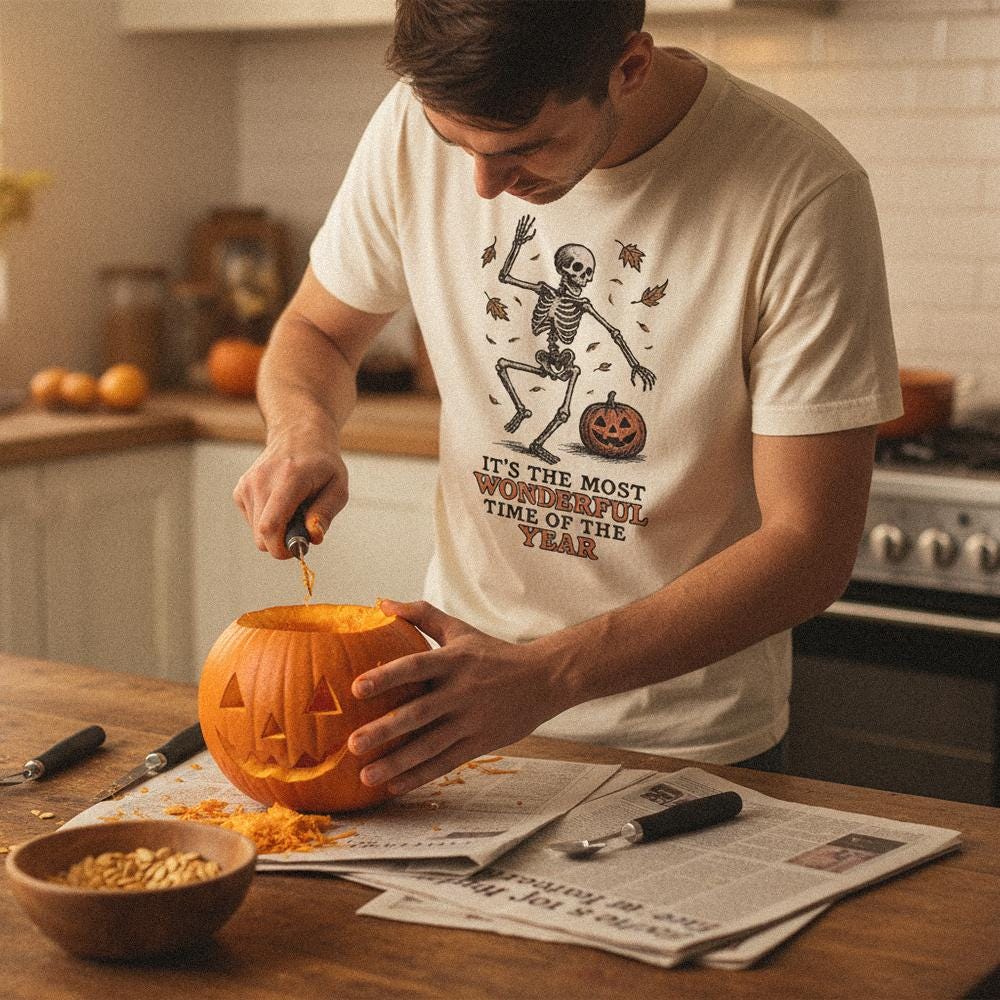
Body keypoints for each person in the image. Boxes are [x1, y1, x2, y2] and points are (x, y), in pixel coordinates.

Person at [234, 0, 902, 797]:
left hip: (685, 747)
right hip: (454, 719)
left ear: (629, 69)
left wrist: (545, 676)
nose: (485, 184)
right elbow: (318, 328)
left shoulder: (802, 192)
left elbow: (810, 547)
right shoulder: (412, 130)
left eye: (525, 148)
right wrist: (303, 429)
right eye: (458, 145)